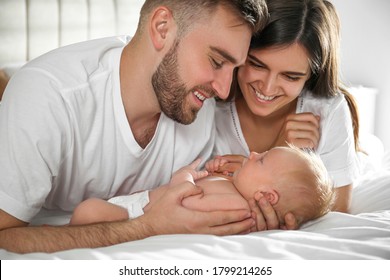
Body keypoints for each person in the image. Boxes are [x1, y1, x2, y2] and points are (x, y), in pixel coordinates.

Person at [0, 0, 269, 253]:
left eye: (233, 69)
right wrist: (148, 227)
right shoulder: (49, 95)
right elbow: (4, 235)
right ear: (162, 28)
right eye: (217, 62)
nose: (223, 90)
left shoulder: (198, 109)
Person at [213, 0, 360, 225]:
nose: (267, 88)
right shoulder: (212, 100)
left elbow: (338, 213)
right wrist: (282, 149)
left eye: (290, 76)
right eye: (257, 65)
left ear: (311, 75)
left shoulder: (327, 109)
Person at [70, 146, 335, 230]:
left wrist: (184, 178)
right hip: (137, 204)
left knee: (88, 211)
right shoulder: (236, 189)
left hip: (136, 216)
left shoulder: (239, 208)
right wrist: (217, 175)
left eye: (262, 159)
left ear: (267, 197)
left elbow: (187, 206)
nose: (252, 153)